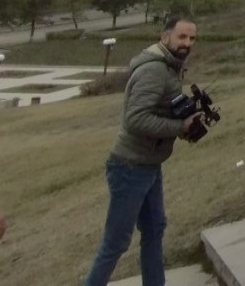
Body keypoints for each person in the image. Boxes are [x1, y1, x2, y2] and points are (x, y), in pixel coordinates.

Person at [83, 16, 203, 286]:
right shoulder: (154, 71)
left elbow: (158, 112)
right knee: (115, 243)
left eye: (192, 38)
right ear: (165, 37)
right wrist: (178, 125)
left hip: (149, 164)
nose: (187, 43)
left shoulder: (169, 67)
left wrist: (185, 122)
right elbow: (136, 119)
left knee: (154, 230)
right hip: (129, 167)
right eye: (182, 37)